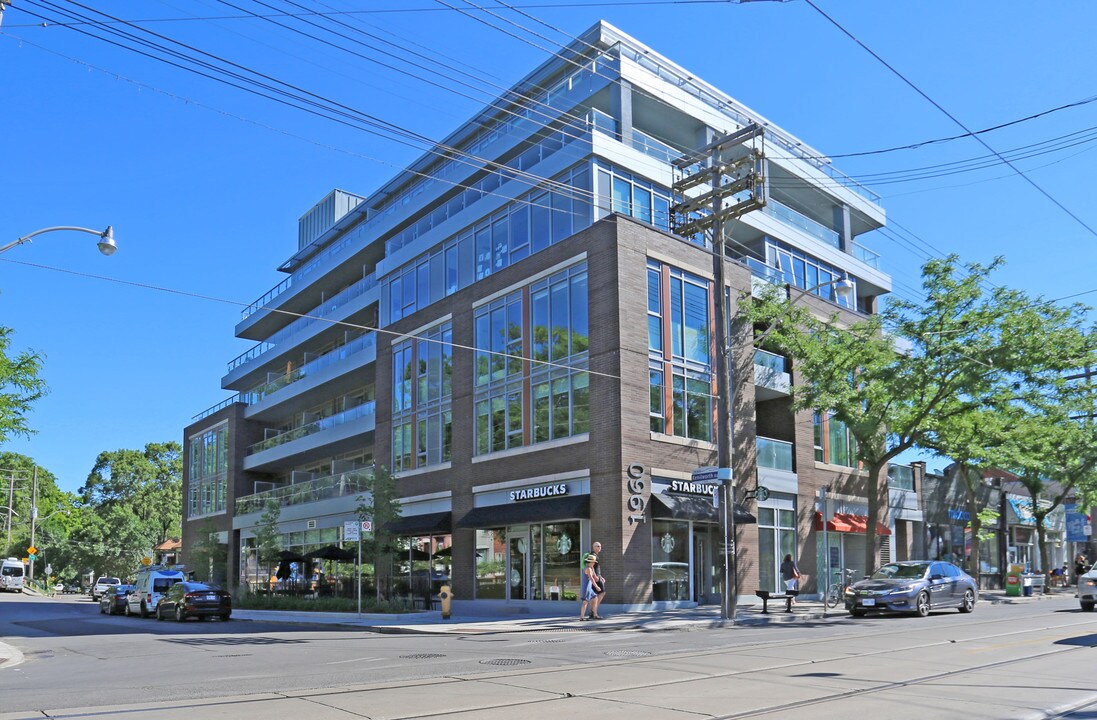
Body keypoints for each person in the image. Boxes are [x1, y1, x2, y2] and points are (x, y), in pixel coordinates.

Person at [579, 554, 602, 621]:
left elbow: (594, 575)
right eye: (593, 562)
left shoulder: (591, 567)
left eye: (594, 562)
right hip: (586, 587)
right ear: (590, 562)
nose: (594, 563)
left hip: (589, 587)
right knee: (585, 602)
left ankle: (595, 615)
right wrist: (597, 587)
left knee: (595, 598)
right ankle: (582, 617)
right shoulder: (588, 568)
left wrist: (597, 577)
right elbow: (591, 579)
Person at [588, 541, 606, 619]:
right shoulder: (592, 555)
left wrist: (601, 576)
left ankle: (592, 612)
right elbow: (591, 566)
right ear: (594, 547)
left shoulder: (595, 555)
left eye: (600, 546)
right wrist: (595, 576)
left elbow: (596, 567)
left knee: (595, 595)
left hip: (598, 577)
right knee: (602, 592)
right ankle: (594, 612)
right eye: (598, 546)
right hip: (596, 578)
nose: (599, 548)